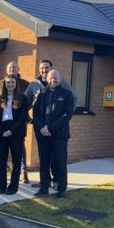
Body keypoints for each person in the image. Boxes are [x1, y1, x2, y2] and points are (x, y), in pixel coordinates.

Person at [25, 59, 77, 188]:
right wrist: (29, 120)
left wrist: (64, 118)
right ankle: (45, 183)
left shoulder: (62, 84)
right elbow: (26, 102)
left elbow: (73, 100)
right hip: (41, 129)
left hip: (58, 130)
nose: (44, 70)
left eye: (46, 67)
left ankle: (57, 182)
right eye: (42, 68)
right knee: (44, 159)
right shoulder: (35, 86)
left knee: (57, 159)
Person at [33, 70, 75, 198]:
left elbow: (66, 116)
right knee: (44, 163)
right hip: (43, 135)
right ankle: (44, 188)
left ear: (60, 79)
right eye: (51, 78)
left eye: (56, 78)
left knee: (60, 163)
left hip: (59, 135)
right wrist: (41, 128)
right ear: (48, 79)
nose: (53, 80)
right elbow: (36, 114)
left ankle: (61, 189)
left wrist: (50, 128)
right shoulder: (42, 94)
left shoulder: (67, 95)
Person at [0, 76, 29, 195]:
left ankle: (13, 187)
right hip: (2, 133)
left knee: (16, 161)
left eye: (12, 82)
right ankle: (1, 186)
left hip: (16, 134)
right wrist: (2, 131)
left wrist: (11, 131)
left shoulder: (22, 99)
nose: (10, 85)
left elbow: (22, 118)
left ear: (16, 84)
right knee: (2, 161)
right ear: (4, 84)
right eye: (7, 83)